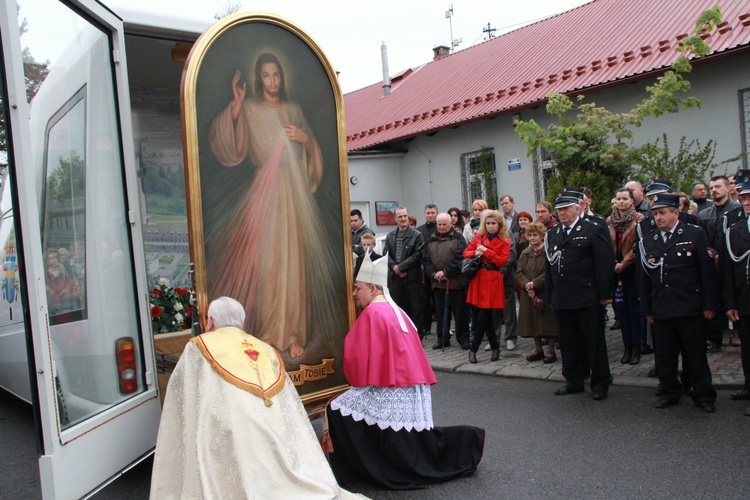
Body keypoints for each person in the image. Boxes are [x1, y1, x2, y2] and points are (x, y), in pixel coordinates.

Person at [208, 52, 342, 359]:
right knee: (269, 264)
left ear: (282, 77)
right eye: (266, 75)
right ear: (259, 79)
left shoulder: (293, 109)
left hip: (293, 194)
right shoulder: (252, 108)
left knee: (294, 264)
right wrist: (237, 106)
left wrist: (306, 139)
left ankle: (294, 333)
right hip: (265, 194)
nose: (272, 81)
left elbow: (311, 148)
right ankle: (268, 331)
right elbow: (237, 149)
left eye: (277, 75)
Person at [150, 297, 351, 498]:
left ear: (210, 321)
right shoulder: (265, 348)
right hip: (271, 428)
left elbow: (182, 392)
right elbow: (288, 404)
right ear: (242, 322)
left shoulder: (199, 345)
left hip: (228, 429)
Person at [325, 254, 485, 489]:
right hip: (408, 384)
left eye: (357, 288)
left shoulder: (372, 313)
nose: (354, 294)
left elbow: (355, 359)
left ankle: (365, 469)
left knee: (335, 408)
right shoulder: (395, 309)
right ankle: (464, 440)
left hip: (393, 386)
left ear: (372, 288)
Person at [638, 194, 717, 413]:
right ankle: (670, 391)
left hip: (689, 306)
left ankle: (703, 394)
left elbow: (707, 273)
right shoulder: (648, 241)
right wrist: (647, 309)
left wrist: (709, 304)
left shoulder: (694, 235)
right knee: (665, 355)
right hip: (662, 307)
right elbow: (643, 279)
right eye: (655, 214)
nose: (658, 218)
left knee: (695, 354)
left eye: (662, 213)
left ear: (676, 213)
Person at [545, 191, 614, 400]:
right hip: (563, 297)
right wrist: (551, 295)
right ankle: (573, 380)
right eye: (559, 210)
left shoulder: (593, 229)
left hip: (587, 296)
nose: (562, 213)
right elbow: (550, 267)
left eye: (566, 209)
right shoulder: (554, 233)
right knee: (568, 343)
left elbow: (604, 264)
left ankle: (600, 382)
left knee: (594, 342)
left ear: (578, 208)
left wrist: (605, 294)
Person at [463, 210, 511, 363]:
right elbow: (466, 252)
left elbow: (502, 261)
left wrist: (487, 251)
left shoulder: (505, 240)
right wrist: (475, 252)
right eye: (488, 223)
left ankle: (473, 349)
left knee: (484, 315)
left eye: (493, 223)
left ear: (499, 225)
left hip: (493, 279)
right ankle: (495, 348)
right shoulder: (479, 237)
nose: (490, 226)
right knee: (486, 316)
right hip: (479, 277)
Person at [699, 175, 740, 352]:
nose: (714, 190)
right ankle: (714, 338)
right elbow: (701, 239)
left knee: (735, 297)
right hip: (711, 264)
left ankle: (738, 333)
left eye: (717, 186)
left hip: (733, 262)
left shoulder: (737, 211)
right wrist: (713, 254)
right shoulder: (704, 214)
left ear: (728, 188)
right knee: (713, 299)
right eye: (711, 187)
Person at [722, 177, 750, 416]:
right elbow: (729, 271)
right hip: (745, 299)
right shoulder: (736, 230)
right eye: (743, 199)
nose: (747, 203)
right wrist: (730, 302)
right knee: (748, 347)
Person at [607, 187, 644, 364]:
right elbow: (606, 244)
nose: (621, 202)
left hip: (632, 270)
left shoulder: (639, 219)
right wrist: (614, 263)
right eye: (618, 199)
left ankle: (636, 346)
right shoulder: (610, 221)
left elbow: (639, 246)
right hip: (616, 271)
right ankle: (626, 346)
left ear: (631, 201)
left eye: (624, 199)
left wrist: (624, 263)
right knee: (621, 310)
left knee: (634, 310)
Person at [423, 213, 470, 349]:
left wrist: (445, 272)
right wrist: (433, 273)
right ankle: (442, 338)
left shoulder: (458, 238)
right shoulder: (430, 240)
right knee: (441, 313)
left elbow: (461, 258)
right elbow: (425, 260)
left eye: (445, 224)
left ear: (450, 224)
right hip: (437, 283)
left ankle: (463, 338)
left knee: (459, 314)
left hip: (456, 283)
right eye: (439, 224)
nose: (442, 227)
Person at [516, 222, 558, 362]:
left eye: (535, 235)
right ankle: (538, 349)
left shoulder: (548, 251)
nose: (532, 238)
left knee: (549, 321)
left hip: (545, 292)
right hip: (529, 294)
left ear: (542, 236)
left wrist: (535, 283)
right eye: (530, 235)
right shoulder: (525, 253)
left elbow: (550, 271)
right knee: (532, 321)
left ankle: (551, 351)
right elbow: (519, 271)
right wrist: (526, 284)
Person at [383, 207, 425, 338]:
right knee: (398, 310)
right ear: (395, 219)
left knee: (416, 309)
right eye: (400, 216)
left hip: (412, 278)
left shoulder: (416, 235)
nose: (403, 219)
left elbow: (418, 255)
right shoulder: (390, 236)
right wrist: (395, 268)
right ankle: (401, 337)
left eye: (405, 216)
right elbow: (386, 254)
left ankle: (418, 337)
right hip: (395, 279)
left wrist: (401, 267)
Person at [417, 204, 439, 336]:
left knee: (438, 301)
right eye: (428, 213)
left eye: (432, 213)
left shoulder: (441, 227)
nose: (430, 215)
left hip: (438, 269)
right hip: (423, 270)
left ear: (437, 213)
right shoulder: (419, 231)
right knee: (425, 301)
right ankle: (426, 327)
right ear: (424, 214)